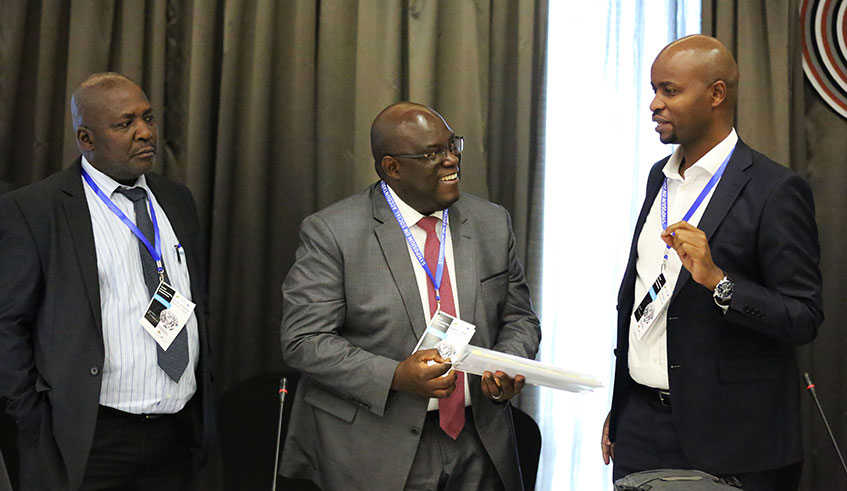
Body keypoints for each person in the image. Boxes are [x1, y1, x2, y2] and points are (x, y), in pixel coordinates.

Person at [279, 102, 541, 490]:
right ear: (392, 168)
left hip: (478, 439)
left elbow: (519, 318)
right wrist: (396, 375)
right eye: (432, 153)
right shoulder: (333, 232)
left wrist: (507, 363)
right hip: (374, 445)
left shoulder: (491, 222)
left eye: (453, 146)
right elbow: (304, 341)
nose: (451, 160)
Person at [600, 35, 823, 490]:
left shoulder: (774, 190)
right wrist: (621, 407)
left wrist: (721, 282)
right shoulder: (656, 180)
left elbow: (803, 317)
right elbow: (643, 301)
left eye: (670, 90)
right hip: (641, 425)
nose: (654, 104)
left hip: (732, 439)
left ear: (716, 95)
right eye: (653, 90)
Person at [0, 72, 214, 491]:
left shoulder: (176, 200)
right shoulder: (34, 210)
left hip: (176, 434)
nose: (145, 133)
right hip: (87, 439)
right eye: (125, 123)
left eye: (148, 118)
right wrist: (33, 420)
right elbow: (7, 327)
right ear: (86, 138)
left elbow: (187, 300)